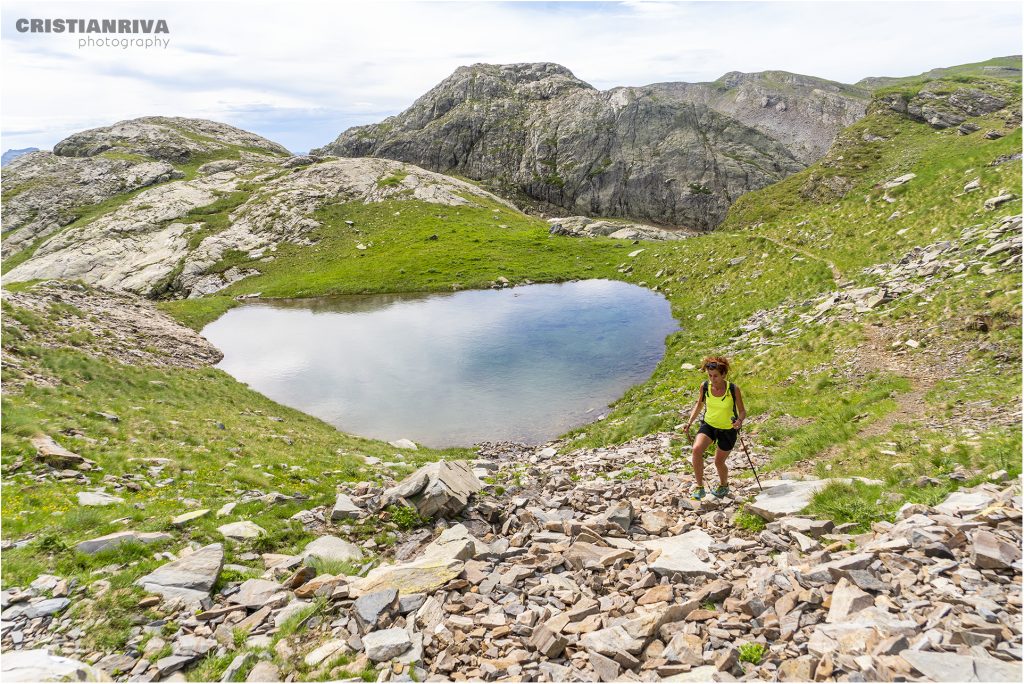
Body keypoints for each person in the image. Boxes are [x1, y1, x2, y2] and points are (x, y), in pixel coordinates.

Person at [681, 356, 746, 500]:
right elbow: (699, 405)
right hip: (709, 425)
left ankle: (723, 485)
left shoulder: (733, 389)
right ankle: (699, 488)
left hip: (728, 429)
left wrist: (739, 421)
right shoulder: (705, 387)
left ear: (723, 374)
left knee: (718, 462)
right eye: (710, 375)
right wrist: (690, 422)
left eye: (715, 376)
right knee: (696, 449)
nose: (712, 379)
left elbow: (742, 411)